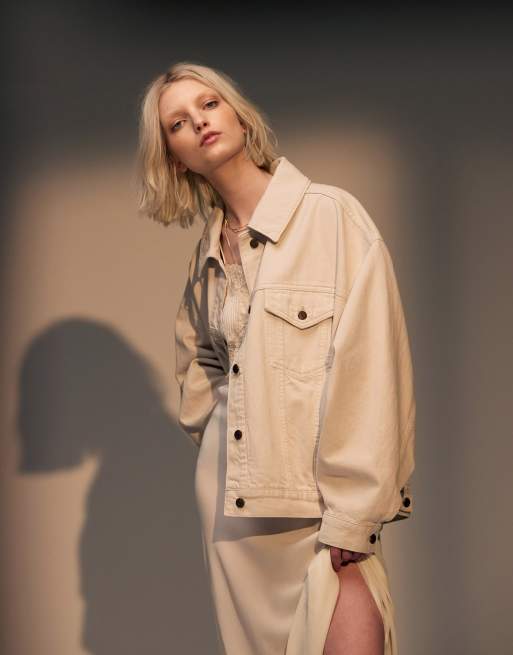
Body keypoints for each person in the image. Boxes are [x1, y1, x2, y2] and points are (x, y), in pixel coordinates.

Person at [136, 61, 416, 655]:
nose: (199, 122)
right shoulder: (207, 258)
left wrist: (354, 513)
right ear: (175, 158)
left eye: (208, 104)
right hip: (237, 526)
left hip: (323, 516)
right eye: (178, 123)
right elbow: (200, 374)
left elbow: (374, 370)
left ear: (238, 115)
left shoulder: (331, 217)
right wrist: (228, 448)